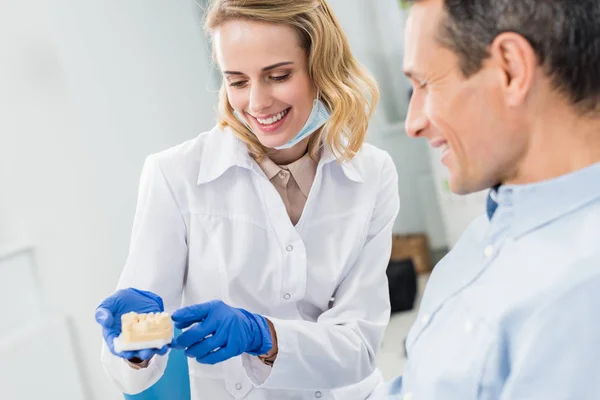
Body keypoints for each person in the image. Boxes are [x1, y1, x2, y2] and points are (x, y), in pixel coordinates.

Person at [94, 0, 400, 399]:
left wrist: (263, 335)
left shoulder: (372, 174)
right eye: (237, 81)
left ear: (321, 66)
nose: (256, 103)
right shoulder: (175, 176)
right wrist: (133, 348)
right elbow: (132, 374)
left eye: (277, 76)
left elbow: (358, 346)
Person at [373, 0, 600, 399]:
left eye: (424, 84)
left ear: (511, 69)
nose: (413, 123)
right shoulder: (487, 236)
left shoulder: (581, 296)